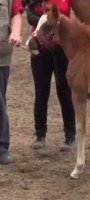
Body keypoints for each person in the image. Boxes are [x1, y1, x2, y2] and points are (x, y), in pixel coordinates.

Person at [26, 0, 76, 151]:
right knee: (41, 91)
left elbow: (76, 14)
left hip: (61, 47)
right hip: (40, 46)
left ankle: (70, 135)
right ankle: (40, 133)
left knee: (65, 92)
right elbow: (30, 16)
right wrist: (47, 22)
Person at [0, 0, 23, 164]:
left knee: (1, 99)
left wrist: (15, 32)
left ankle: (1, 147)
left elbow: (15, 14)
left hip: (2, 55)